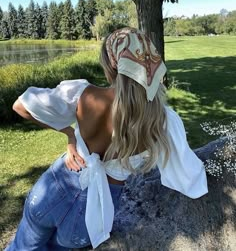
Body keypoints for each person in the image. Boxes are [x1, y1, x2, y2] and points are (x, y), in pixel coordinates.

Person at [5, 27, 208, 251]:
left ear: (113, 63)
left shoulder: (85, 94)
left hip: (54, 188)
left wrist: (70, 134)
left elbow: (21, 106)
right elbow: (189, 175)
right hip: (94, 212)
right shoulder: (162, 121)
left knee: (21, 246)